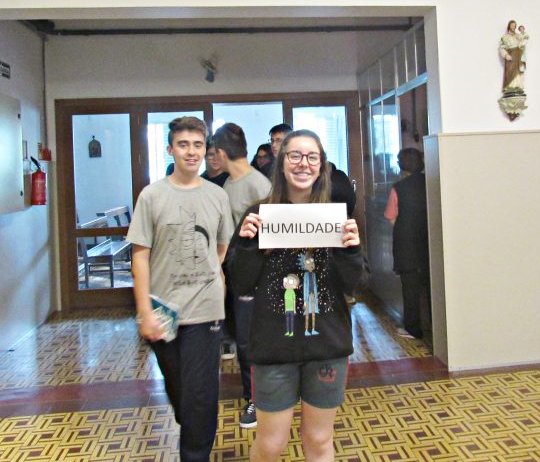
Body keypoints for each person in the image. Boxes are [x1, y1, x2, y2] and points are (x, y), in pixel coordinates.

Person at [227, 129, 365, 462]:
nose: (304, 163)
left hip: (327, 347)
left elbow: (353, 285)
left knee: (319, 439)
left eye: (312, 157)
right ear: (281, 162)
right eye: (295, 155)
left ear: (321, 165)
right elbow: (241, 285)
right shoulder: (258, 215)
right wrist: (246, 245)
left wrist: (352, 251)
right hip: (274, 348)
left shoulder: (336, 218)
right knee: (271, 444)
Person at [126, 116, 234, 462]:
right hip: (164, 310)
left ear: (206, 150)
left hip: (206, 308)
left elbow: (221, 246)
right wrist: (144, 311)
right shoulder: (152, 196)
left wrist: (211, 275)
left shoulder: (217, 195)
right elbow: (140, 256)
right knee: (181, 389)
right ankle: (192, 421)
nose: (191, 152)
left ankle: (195, 452)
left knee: (201, 393)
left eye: (198, 145)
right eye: (183, 144)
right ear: (169, 149)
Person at [212, 122, 272, 429]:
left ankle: (257, 401)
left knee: (251, 342)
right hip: (236, 274)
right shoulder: (229, 184)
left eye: (213, 153)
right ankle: (255, 395)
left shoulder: (258, 185)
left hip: (257, 277)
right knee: (243, 340)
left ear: (222, 153)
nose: (211, 159)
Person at [384, 147, 430, 340]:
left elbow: (390, 216)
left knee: (410, 288)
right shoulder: (431, 183)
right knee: (431, 285)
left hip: (407, 245)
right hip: (430, 243)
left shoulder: (399, 187)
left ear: (402, 165)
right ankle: (435, 325)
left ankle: (413, 328)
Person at [499, 20, 526, 92]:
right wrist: (506, 55)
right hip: (510, 55)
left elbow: (523, 41)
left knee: (518, 71)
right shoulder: (505, 37)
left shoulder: (518, 36)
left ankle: (518, 86)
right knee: (510, 71)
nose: (513, 27)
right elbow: (501, 48)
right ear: (509, 26)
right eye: (512, 26)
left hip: (518, 55)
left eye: (514, 26)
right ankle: (510, 87)